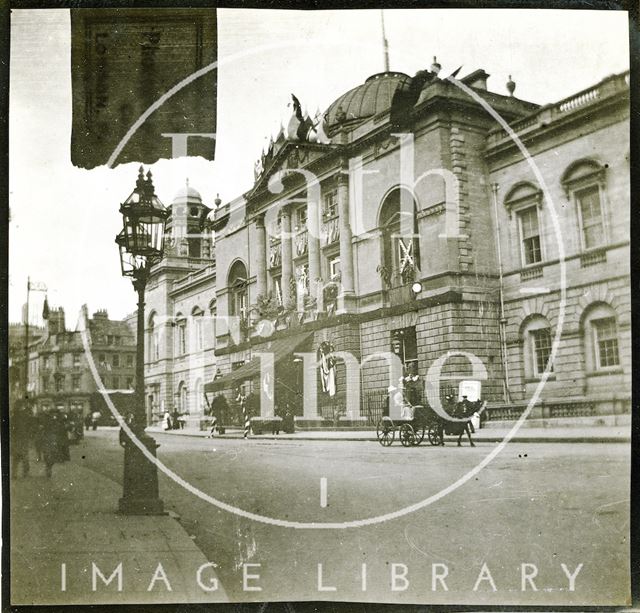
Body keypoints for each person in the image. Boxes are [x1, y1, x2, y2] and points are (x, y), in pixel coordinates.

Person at [41, 407, 70, 478]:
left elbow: (63, 430)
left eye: (55, 413)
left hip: (56, 441)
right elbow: (43, 429)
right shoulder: (47, 420)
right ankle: (48, 468)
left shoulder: (60, 421)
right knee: (47, 454)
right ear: (50, 414)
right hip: (48, 440)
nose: (54, 415)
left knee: (53, 455)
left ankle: (49, 467)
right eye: (53, 413)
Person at [10, 403, 33, 479]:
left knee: (15, 458)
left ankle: (14, 474)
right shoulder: (25, 417)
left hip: (16, 440)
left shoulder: (13, 418)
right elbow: (29, 428)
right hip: (23, 439)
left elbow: (11, 430)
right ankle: (25, 473)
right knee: (25, 457)